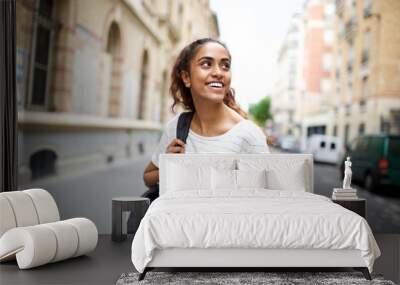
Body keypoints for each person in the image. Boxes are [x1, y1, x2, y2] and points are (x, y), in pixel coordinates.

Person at [142, 38, 270, 201]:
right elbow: (148, 177)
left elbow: (264, 200)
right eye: (206, 64)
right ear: (186, 77)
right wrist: (169, 164)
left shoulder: (249, 135)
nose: (218, 72)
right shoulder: (177, 127)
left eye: (225, 65)